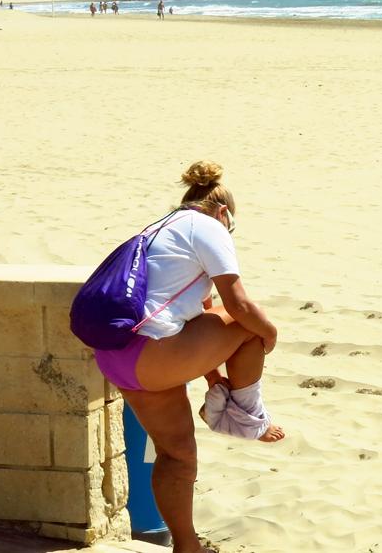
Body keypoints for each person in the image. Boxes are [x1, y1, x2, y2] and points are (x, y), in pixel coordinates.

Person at [92, 161, 283, 553]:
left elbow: (196, 321)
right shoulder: (210, 227)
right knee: (249, 324)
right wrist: (270, 333)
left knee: (177, 454)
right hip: (153, 354)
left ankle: (186, 546)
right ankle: (247, 418)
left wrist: (214, 380)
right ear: (224, 213)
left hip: (117, 359)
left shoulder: (159, 228)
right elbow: (239, 304)